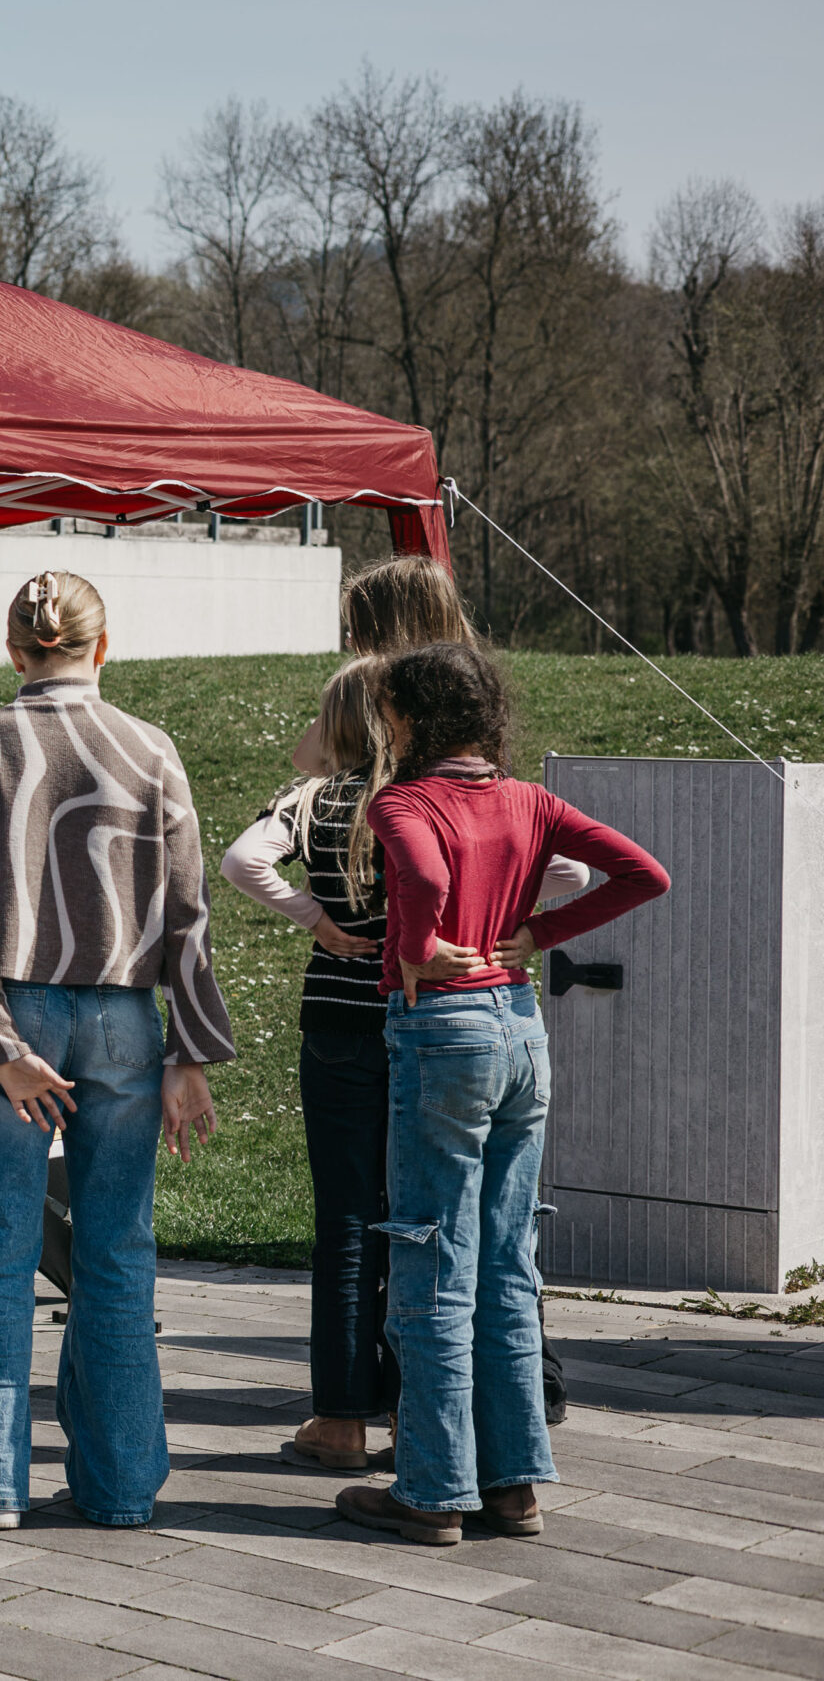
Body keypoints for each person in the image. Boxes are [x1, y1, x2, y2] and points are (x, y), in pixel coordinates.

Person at [335, 643, 667, 1546]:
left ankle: (432, 1490)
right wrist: (542, 933)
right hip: (521, 1027)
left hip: (443, 1033)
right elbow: (646, 873)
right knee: (508, 1264)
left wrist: (418, 944)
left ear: (410, 718)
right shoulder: (530, 800)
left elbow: (425, 876)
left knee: (433, 1259)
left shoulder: (402, 800)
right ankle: (514, 1486)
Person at [223, 659, 591, 1470]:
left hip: (339, 1020)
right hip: (436, 1012)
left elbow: (242, 861)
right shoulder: (433, 799)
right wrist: (506, 919)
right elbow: (569, 869)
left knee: (347, 1218)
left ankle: (340, 1417)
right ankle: (415, 1412)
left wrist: (314, 918)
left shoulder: (316, 799)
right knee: (427, 1219)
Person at [0, 570, 233, 1531]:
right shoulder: (152, 747)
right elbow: (188, 912)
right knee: (118, 1248)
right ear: (102, 647)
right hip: (127, 1017)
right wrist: (189, 1051)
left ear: (14, 650)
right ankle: (122, 1484)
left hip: (14, 1010)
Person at [294, 554, 478, 777]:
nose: (350, 643)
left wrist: (367, 671)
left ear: (388, 632)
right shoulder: (474, 683)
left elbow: (305, 760)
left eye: (357, 632)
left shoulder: (373, 684)